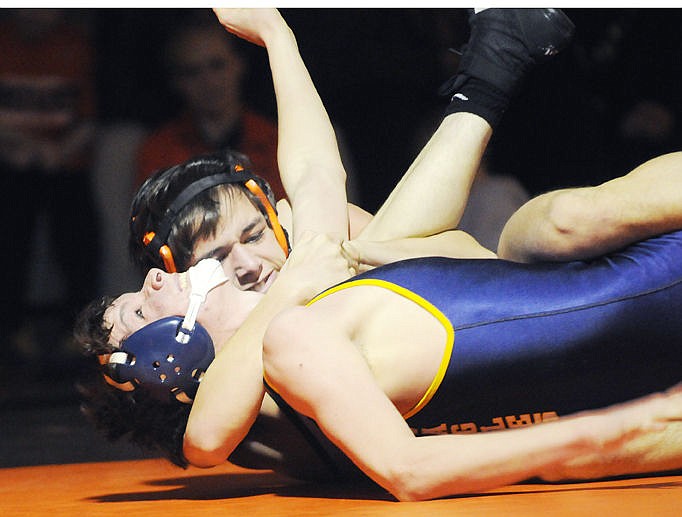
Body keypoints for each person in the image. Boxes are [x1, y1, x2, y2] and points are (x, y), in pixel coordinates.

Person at [83, 8, 682, 499]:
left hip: (604, 292)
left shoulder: (309, 278)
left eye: (253, 236)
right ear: (162, 367)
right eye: (138, 308)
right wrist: (617, 434)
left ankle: (499, 54)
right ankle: (499, 54)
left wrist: (277, 36)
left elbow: (318, 175)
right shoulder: (278, 346)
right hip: (622, 356)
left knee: (553, 223)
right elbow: (206, 437)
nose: (159, 282)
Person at [0, 9, 100, 365]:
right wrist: (19, 145)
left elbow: (93, 115)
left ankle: (78, 331)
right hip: (12, 161)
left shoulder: (77, 44)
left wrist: (59, 150)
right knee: (10, 241)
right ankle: (11, 329)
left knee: (77, 241)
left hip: (65, 160)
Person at [134, 10, 284, 200]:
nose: (208, 82)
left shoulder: (276, 141)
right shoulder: (157, 151)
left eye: (217, 65)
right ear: (175, 82)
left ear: (239, 64)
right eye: (192, 71)